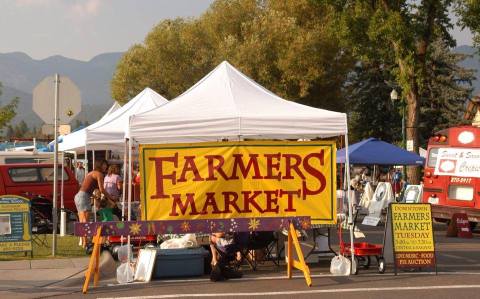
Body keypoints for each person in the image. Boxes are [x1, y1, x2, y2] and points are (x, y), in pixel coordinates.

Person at [74, 160, 111, 248]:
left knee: (82, 222)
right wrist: (110, 197)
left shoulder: (90, 173)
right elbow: (102, 189)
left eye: (106, 165)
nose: (105, 167)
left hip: (79, 196)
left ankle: (83, 243)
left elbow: (85, 187)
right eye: (104, 165)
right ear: (100, 165)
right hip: (83, 197)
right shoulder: (99, 174)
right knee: (85, 222)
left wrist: (94, 197)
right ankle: (85, 243)